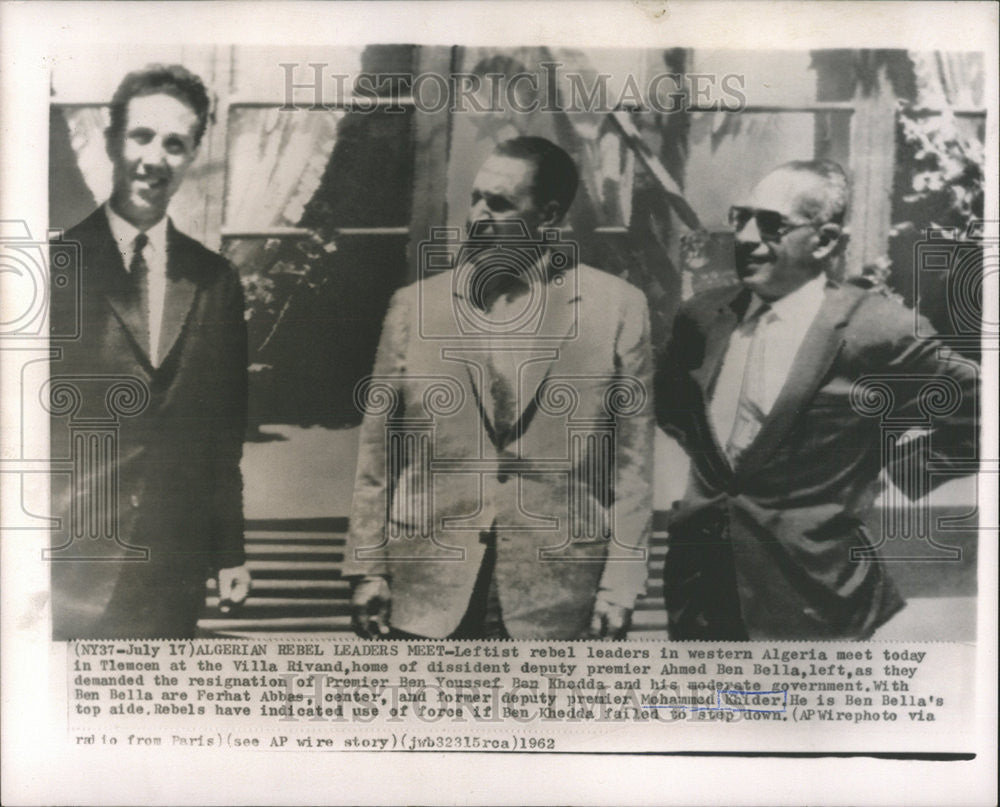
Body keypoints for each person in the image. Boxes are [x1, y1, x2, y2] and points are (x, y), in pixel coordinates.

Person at [655, 159, 978, 640]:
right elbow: (675, 412)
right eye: (740, 217)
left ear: (825, 241)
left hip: (816, 596)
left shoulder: (877, 329)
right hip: (702, 594)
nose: (744, 237)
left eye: (771, 224)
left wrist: (896, 470)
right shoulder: (701, 318)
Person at [345, 136, 653, 640]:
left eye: (500, 203)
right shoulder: (414, 307)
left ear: (548, 216)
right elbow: (377, 455)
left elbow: (634, 466)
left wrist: (621, 585)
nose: (477, 216)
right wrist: (367, 568)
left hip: (556, 596)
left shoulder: (616, 308)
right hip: (426, 589)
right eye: (476, 198)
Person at [49, 64, 251, 639]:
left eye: (175, 144)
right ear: (113, 140)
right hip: (64, 565)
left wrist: (229, 552)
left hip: (171, 571)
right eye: (141, 136)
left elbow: (222, 434)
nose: (155, 158)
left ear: (190, 157)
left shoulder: (215, 281)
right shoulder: (55, 269)